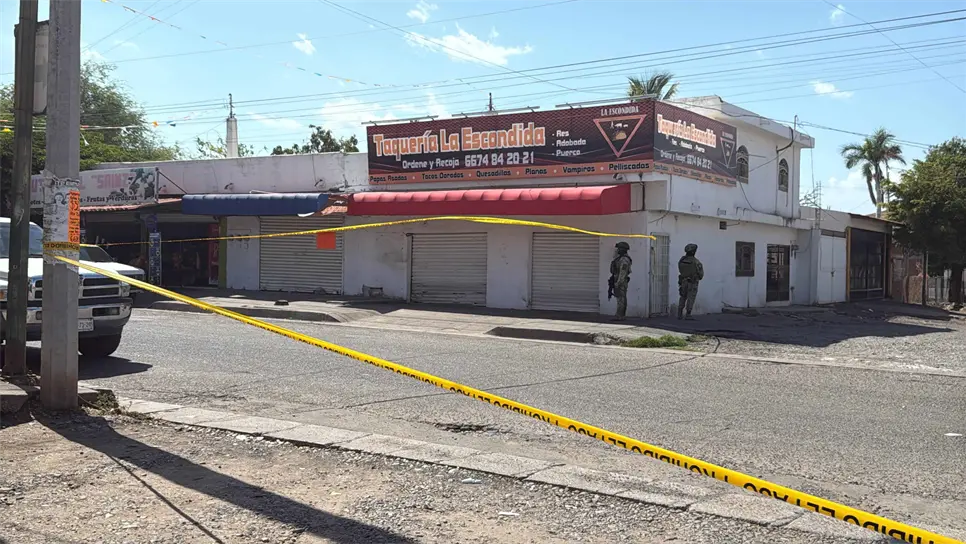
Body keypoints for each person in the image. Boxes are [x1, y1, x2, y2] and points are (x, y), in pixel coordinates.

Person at [677, 243, 704, 320]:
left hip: (683, 281)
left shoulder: (682, 260)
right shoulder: (696, 262)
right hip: (692, 282)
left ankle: (679, 313)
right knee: (690, 298)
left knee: (682, 297)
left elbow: (680, 269)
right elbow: (701, 275)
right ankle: (688, 314)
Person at [610, 241, 632, 321]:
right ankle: (619, 315)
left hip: (621, 281)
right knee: (620, 298)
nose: (617, 250)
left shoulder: (624, 260)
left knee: (621, 299)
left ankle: (620, 316)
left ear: (622, 249)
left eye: (619, 249)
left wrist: (618, 282)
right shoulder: (620, 258)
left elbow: (623, 273)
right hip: (618, 280)